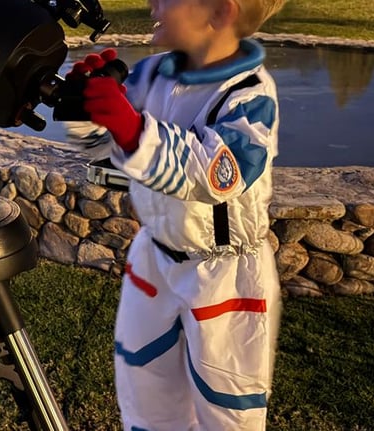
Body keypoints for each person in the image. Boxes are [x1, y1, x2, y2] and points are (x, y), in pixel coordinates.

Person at [73, 0, 288, 429]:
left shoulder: (249, 94)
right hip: (154, 257)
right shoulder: (150, 75)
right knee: (143, 386)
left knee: (228, 405)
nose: (151, 2)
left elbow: (216, 174)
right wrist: (86, 106)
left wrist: (132, 127)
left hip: (224, 275)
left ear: (220, 13)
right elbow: (104, 150)